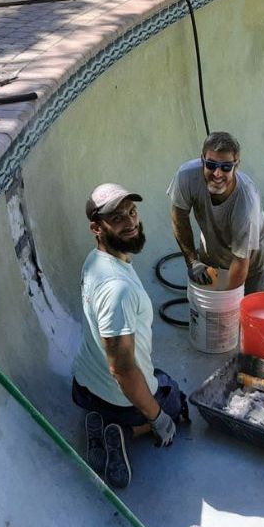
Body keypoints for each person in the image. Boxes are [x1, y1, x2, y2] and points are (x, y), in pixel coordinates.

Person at [71, 183, 185, 489]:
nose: (131, 222)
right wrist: (159, 418)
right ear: (97, 227)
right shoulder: (117, 289)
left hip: (83, 388)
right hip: (118, 399)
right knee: (175, 397)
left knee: (155, 376)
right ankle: (126, 430)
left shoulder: (95, 261)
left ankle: (102, 422)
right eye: (118, 218)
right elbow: (122, 369)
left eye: (132, 212)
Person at [167, 132, 264, 297]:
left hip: (251, 250)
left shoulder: (247, 203)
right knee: (210, 290)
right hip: (212, 244)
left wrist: (225, 303)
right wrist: (193, 262)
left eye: (226, 167)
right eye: (211, 165)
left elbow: (240, 261)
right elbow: (179, 218)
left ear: (236, 165)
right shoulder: (186, 176)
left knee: (252, 305)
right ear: (202, 159)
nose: (217, 174)